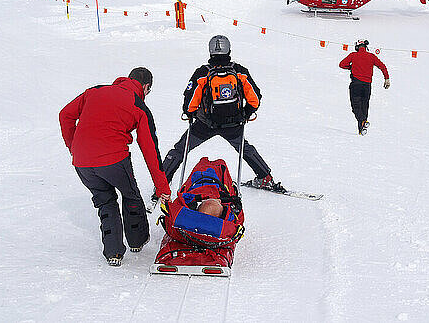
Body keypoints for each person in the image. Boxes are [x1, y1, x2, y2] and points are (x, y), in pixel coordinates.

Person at [59, 67, 171, 267]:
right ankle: (137, 241)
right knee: (130, 195)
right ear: (145, 87)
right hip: (114, 160)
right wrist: (162, 187)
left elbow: (65, 115)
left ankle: (113, 253)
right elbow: (150, 151)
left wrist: (73, 147)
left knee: (105, 200)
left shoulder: (94, 91)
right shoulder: (139, 105)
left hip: (82, 162)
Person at [157, 35, 277, 197]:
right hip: (233, 124)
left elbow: (190, 102)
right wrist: (245, 113)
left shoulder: (202, 73)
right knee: (245, 148)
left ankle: (162, 183)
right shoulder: (240, 71)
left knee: (180, 149)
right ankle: (265, 177)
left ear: (210, 51)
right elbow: (255, 99)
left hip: (205, 125)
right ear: (229, 50)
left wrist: (190, 113)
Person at [339, 40, 390, 135]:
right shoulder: (371, 56)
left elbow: (341, 64)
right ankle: (361, 129)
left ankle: (362, 122)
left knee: (356, 106)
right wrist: (386, 78)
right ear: (365, 47)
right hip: (367, 86)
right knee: (364, 106)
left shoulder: (353, 55)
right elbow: (382, 66)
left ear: (357, 47)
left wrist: (350, 67)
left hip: (356, 84)